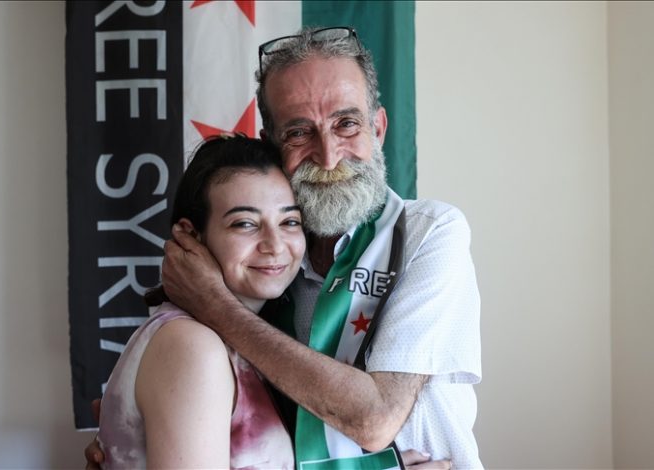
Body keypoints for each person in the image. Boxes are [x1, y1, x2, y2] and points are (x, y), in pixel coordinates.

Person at [159, 27, 483, 468]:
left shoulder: (429, 232)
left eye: (346, 124)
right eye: (299, 132)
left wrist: (218, 308)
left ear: (378, 128)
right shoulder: (264, 258)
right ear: (272, 146)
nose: (328, 156)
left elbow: (375, 419)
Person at [95, 135, 301, 469]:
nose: (275, 245)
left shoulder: (235, 339)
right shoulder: (193, 345)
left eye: (289, 221)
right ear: (191, 235)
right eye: (245, 224)